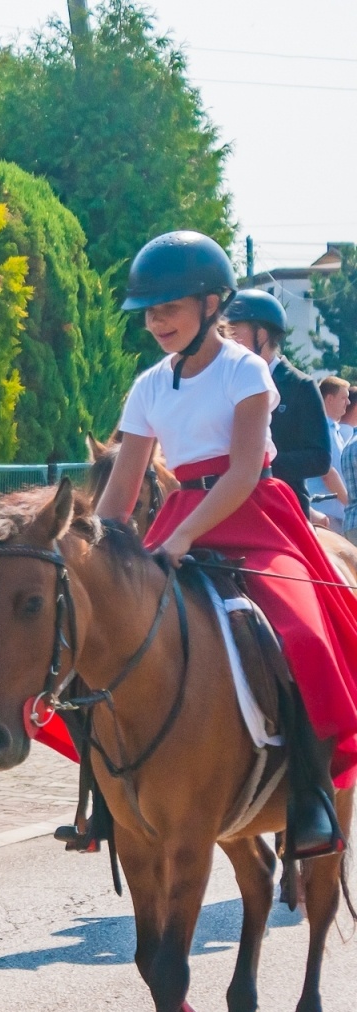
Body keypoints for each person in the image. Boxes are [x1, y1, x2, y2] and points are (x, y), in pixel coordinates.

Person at [98, 230, 355, 859]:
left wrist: (184, 535)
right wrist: (91, 548)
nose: (155, 321)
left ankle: (311, 793)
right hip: (181, 511)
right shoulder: (149, 385)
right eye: (149, 311)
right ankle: (101, 801)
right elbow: (120, 495)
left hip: (254, 512)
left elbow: (243, 472)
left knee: (300, 629)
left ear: (213, 304)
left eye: (169, 307)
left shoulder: (245, 370)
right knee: (101, 641)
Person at [222, 288, 331, 517]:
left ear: (261, 335)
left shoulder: (301, 386)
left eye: (233, 333)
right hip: (226, 502)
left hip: (285, 506)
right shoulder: (224, 384)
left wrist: (261, 463)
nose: (225, 342)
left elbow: (320, 459)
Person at [308, 377, 350, 528]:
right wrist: (351, 504)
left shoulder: (333, 430)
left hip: (334, 513)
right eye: (343, 398)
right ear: (330, 399)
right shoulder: (322, 429)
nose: (348, 402)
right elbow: (327, 473)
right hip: (326, 514)